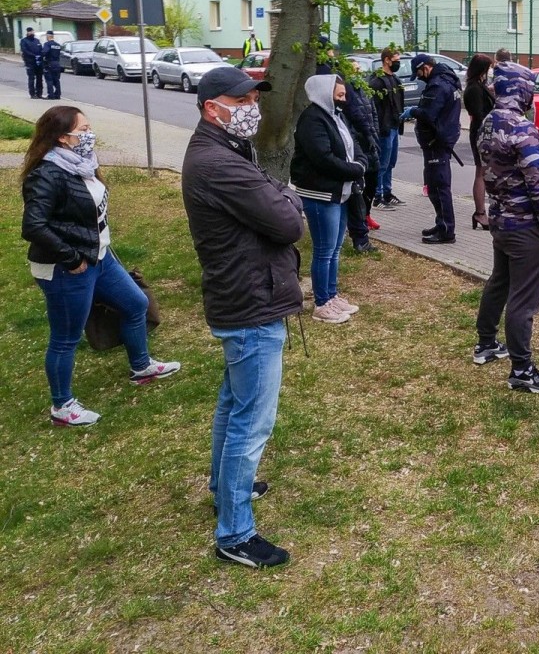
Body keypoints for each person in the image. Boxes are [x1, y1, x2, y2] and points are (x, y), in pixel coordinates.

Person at [182, 67, 303, 569]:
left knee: (234, 405)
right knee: (251, 421)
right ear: (214, 108)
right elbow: (288, 220)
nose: (254, 106)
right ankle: (234, 532)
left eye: (255, 96)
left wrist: (280, 196)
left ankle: (225, 486)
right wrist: (286, 199)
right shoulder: (218, 163)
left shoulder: (227, 152)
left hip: (246, 296)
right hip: (250, 303)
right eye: (245, 98)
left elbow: (276, 201)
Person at [21, 105, 180, 427]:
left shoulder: (82, 165)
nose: (90, 134)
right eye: (84, 129)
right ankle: (62, 407)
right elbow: (33, 225)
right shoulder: (48, 174)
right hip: (66, 268)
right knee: (65, 337)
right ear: (63, 138)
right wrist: (72, 257)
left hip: (100, 257)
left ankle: (141, 367)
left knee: (136, 303)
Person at [474, 61, 539, 393]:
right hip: (526, 228)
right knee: (523, 300)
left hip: (501, 222)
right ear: (523, 91)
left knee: (500, 282)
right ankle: (522, 370)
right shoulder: (523, 129)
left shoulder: (487, 123)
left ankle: (485, 343)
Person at [291, 74, 367, 323]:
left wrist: (361, 162)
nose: (344, 100)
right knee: (324, 250)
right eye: (340, 96)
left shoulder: (335, 116)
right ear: (325, 93)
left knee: (335, 249)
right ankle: (322, 303)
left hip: (340, 191)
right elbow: (322, 158)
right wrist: (355, 169)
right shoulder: (312, 119)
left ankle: (331, 295)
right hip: (320, 193)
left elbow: (351, 146)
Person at [410, 52, 462, 243]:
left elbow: (429, 114)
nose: (420, 78)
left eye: (420, 74)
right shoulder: (448, 80)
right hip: (440, 140)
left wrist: (414, 111)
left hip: (436, 142)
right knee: (435, 186)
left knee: (439, 187)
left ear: (426, 67)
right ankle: (442, 223)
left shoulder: (438, 85)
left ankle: (447, 230)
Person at [340, 63, 381, 253]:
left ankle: (366, 215)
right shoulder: (347, 93)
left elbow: (372, 114)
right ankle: (359, 229)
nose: (358, 74)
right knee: (359, 188)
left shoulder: (364, 90)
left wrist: (373, 133)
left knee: (373, 181)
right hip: (358, 144)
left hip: (370, 141)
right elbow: (352, 117)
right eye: (354, 70)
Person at [369, 47, 406, 211]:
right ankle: (377, 196)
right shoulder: (377, 81)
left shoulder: (395, 80)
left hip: (394, 126)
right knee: (382, 163)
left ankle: (387, 192)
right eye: (396, 60)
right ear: (387, 60)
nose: (398, 63)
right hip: (384, 128)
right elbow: (375, 108)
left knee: (390, 162)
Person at [462, 53, 495, 230]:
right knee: (480, 172)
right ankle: (480, 212)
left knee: (483, 171)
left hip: (483, 131)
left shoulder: (479, 85)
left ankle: (482, 212)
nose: (489, 71)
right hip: (481, 133)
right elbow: (479, 114)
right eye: (488, 68)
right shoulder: (474, 88)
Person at [21, 27, 44, 99]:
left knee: (40, 78)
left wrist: (40, 56)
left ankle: (39, 93)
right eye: (30, 32)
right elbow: (25, 50)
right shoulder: (24, 41)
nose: (31, 33)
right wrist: (33, 56)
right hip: (30, 62)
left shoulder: (37, 41)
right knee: (31, 78)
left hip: (39, 62)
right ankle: (32, 94)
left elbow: (40, 49)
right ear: (27, 32)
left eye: (32, 31)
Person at [42, 31, 63, 101]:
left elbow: (44, 52)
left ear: (48, 36)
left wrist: (42, 57)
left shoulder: (47, 44)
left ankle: (51, 95)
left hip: (49, 63)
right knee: (56, 80)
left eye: (46, 36)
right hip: (57, 64)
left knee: (49, 80)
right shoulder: (58, 45)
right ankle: (58, 94)